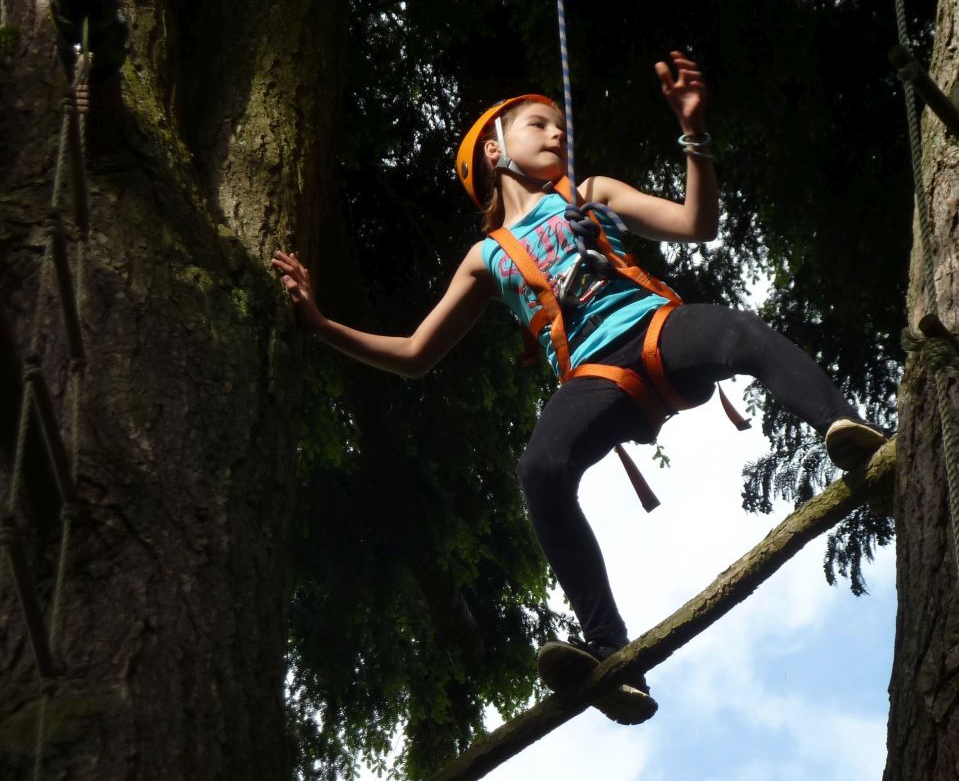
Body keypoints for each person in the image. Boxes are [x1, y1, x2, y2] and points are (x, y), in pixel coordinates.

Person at [272, 51, 885, 723]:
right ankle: (608, 648)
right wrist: (321, 325)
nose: (558, 132)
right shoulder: (486, 257)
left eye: (561, 124)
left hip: (657, 330)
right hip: (597, 376)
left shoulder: (588, 191)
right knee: (540, 470)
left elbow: (697, 224)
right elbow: (417, 354)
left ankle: (851, 431)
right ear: (495, 151)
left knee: (740, 332)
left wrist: (693, 132)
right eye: (538, 124)